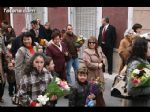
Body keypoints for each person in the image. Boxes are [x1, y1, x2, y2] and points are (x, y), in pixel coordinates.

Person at [82, 36, 106, 106]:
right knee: (92, 91)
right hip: (92, 74)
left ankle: (97, 103)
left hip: (100, 73)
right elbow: (88, 64)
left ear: (96, 43)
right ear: (88, 43)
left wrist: (103, 61)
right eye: (90, 42)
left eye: (93, 42)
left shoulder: (99, 48)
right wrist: (98, 65)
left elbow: (103, 56)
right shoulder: (86, 52)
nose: (91, 44)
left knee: (99, 89)